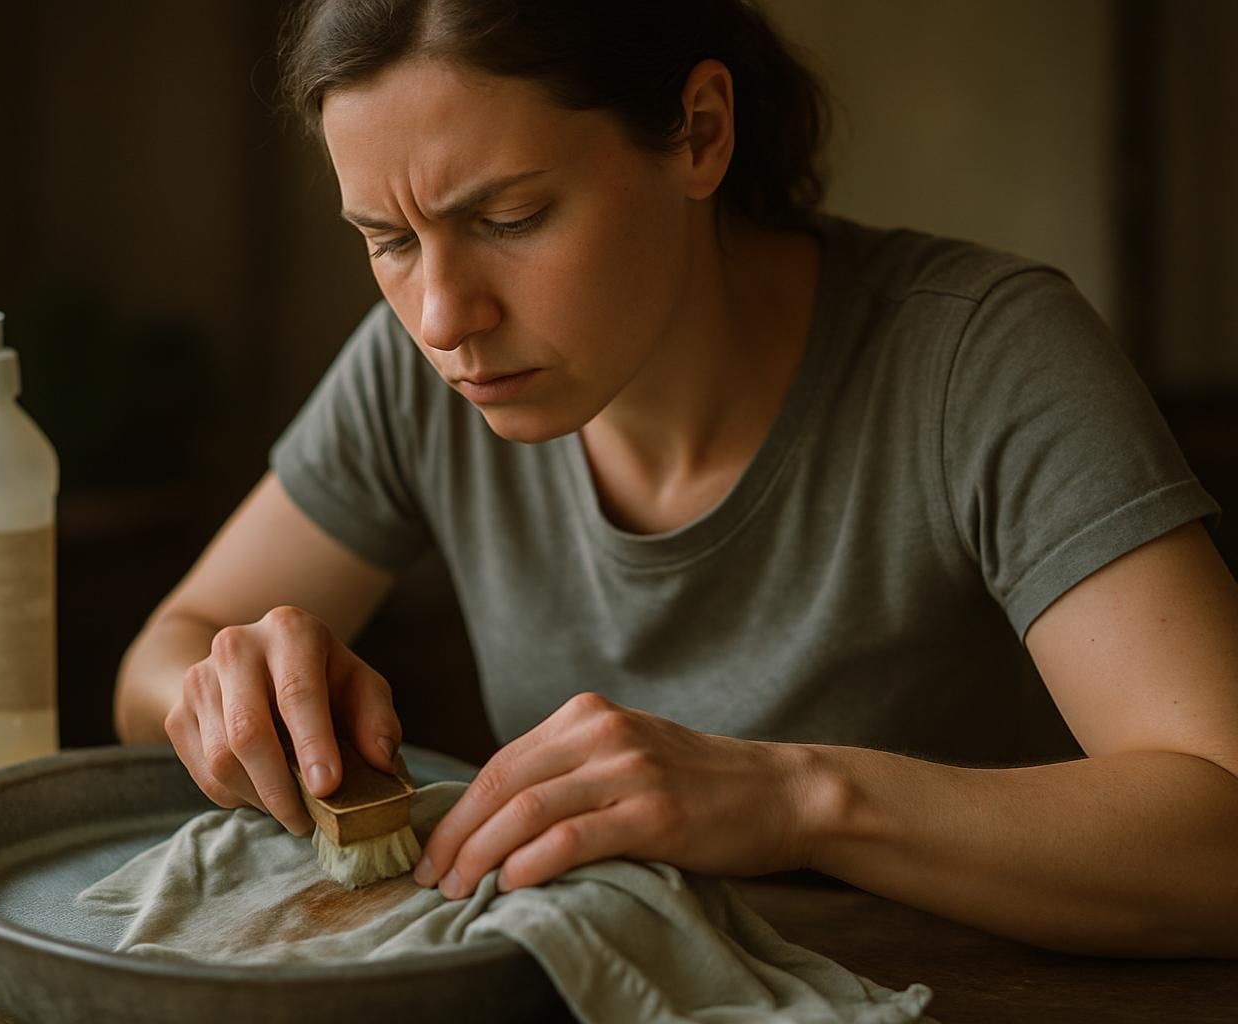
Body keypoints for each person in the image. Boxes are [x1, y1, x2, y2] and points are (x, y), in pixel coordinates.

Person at [114, 0, 1238, 958]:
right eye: (389, 241)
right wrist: (236, 694)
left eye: (509, 217)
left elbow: (1220, 822)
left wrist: (796, 798)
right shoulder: (420, 376)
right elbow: (163, 659)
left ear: (699, 133)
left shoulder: (979, 360)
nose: (443, 319)